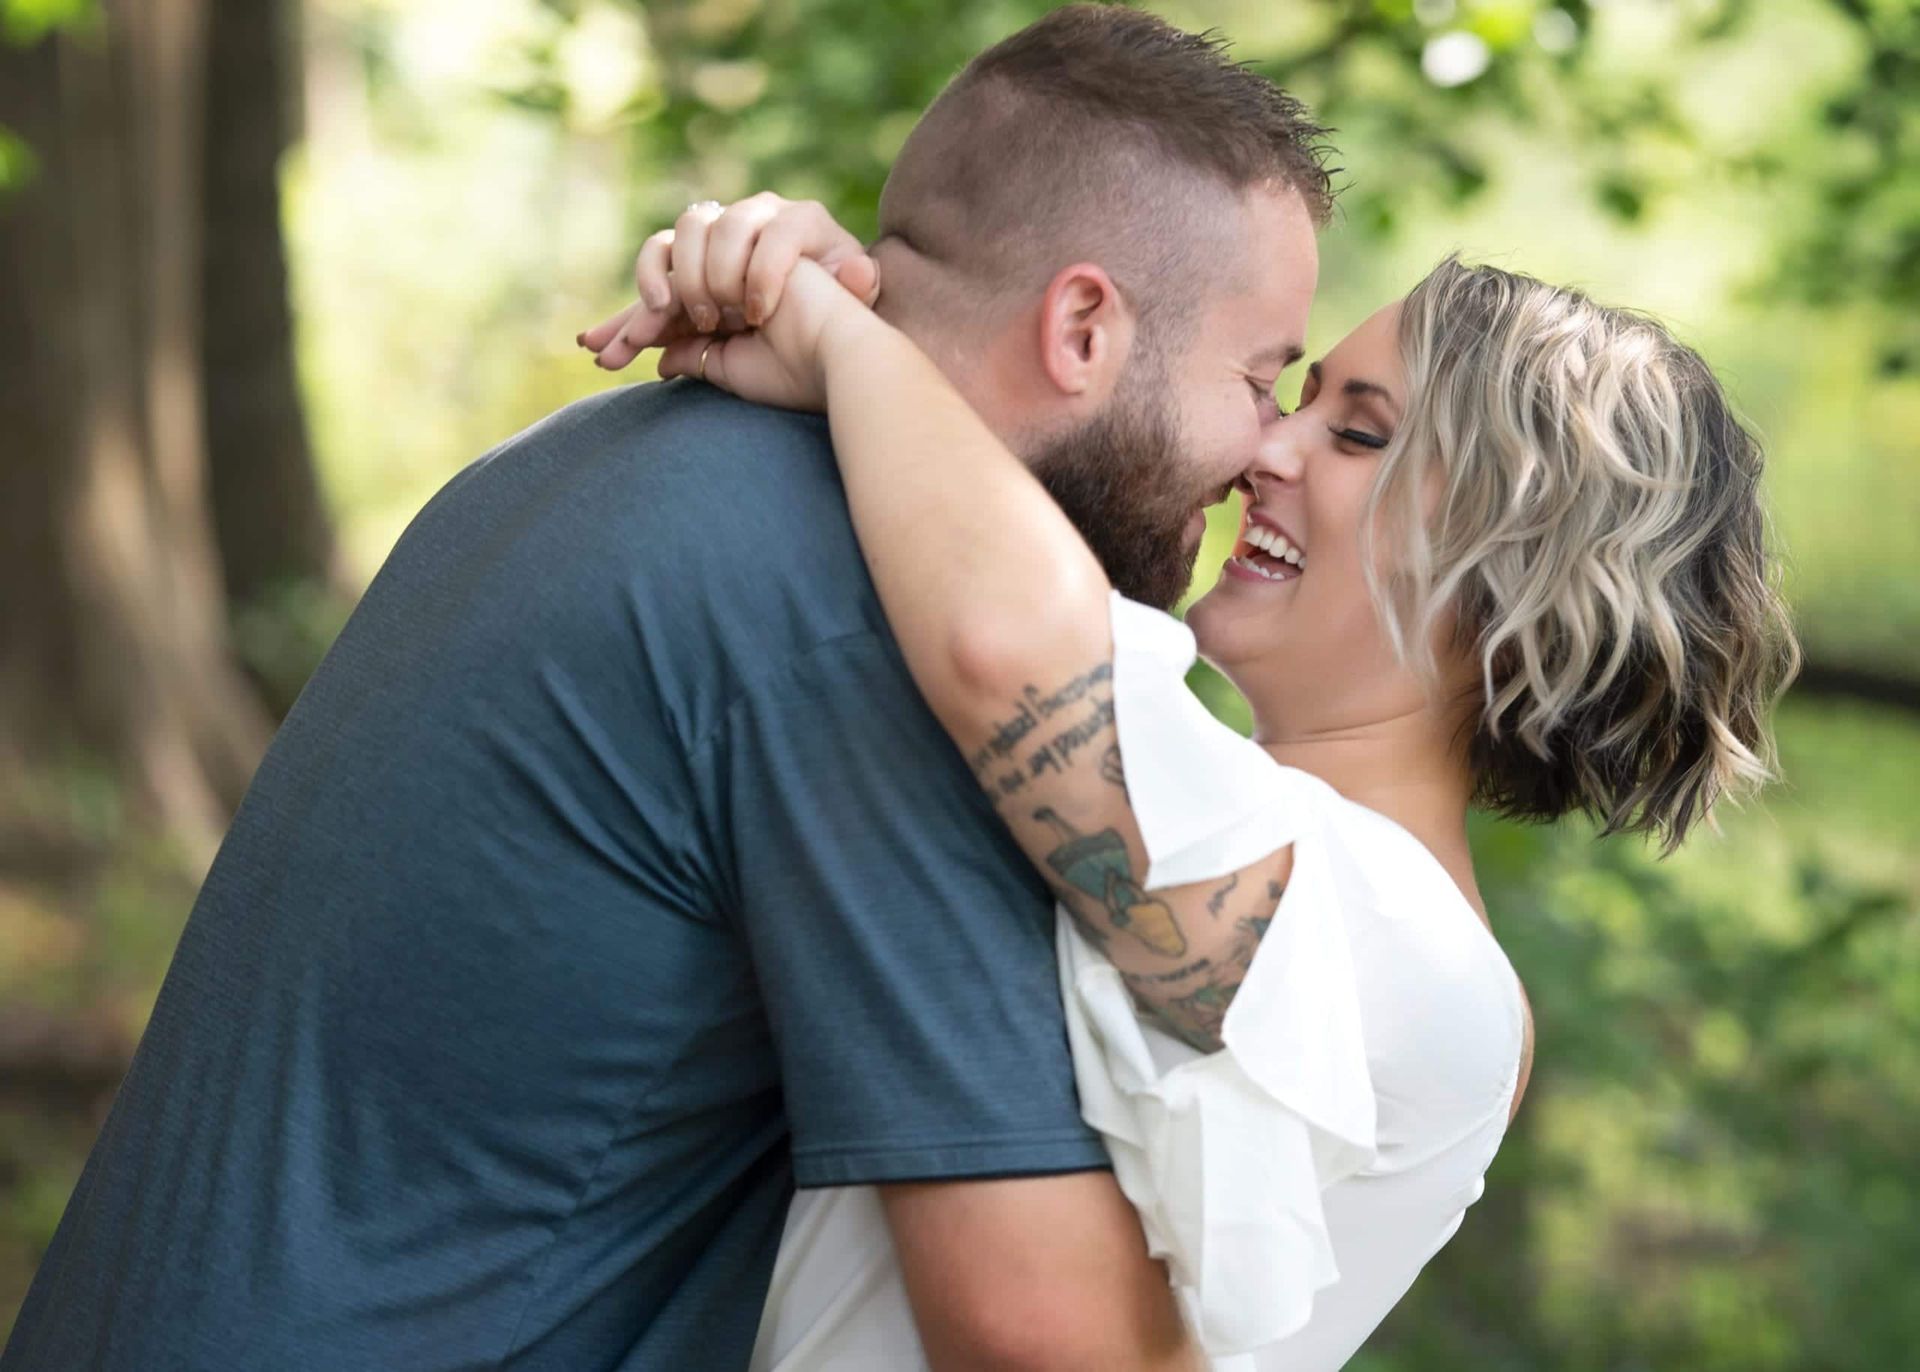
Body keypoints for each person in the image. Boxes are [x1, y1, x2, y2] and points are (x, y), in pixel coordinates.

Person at [1, 9, 1332, 1371]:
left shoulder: (583, 458)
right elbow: (1046, 1336)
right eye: (1259, 377)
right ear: (1084, 328)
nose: (1267, 451)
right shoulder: (868, 627)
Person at [582, 196, 1798, 1369]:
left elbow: (1004, 641)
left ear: (1512, 578)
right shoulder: (1224, 809)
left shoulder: (1426, 964)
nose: (1266, 449)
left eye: (1359, 435)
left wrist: (844, 338)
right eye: (1295, 399)